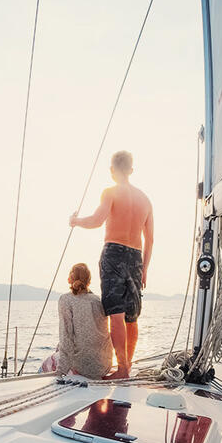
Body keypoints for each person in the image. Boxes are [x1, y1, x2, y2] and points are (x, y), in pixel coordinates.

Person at [69, 150, 153, 379]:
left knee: (116, 315)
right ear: (131, 170)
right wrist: (144, 268)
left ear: (112, 170)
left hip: (114, 253)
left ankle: (123, 370)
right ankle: (127, 366)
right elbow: (150, 239)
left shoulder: (110, 192)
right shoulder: (145, 199)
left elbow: (97, 221)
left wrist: (75, 221)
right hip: (136, 257)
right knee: (132, 317)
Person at [53, 263, 113, 379]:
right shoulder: (97, 300)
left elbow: (66, 337)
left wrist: (61, 371)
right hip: (103, 366)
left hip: (82, 368)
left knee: (52, 358)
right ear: (89, 281)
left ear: (70, 279)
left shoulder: (65, 300)